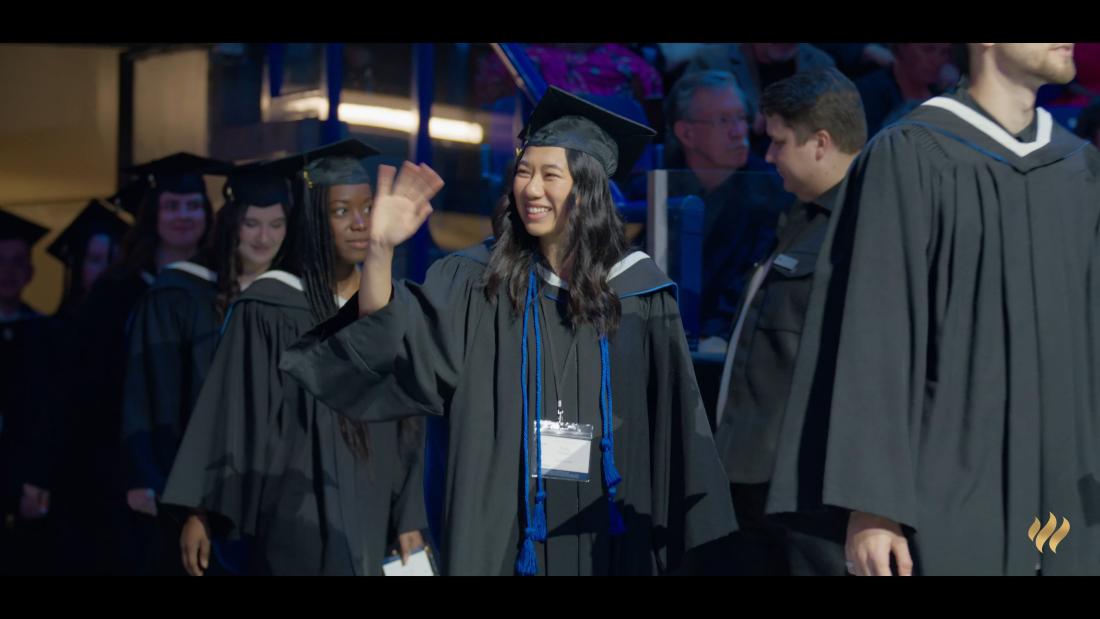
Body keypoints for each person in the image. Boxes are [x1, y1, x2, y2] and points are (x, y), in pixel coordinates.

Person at [280, 87, 737, 575]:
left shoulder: (641, 295)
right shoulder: (477, 282)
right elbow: (390, 338)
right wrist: (381, 248)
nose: (532, 189)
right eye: (524, 171)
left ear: (586, 189)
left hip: (603, 529)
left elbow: (677, 436)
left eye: (550, 175)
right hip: (499, 528)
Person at [767, 43, 1100, 576]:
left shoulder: (1078, 169)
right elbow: (874, 334)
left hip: (1066, 500)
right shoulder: (912, 154)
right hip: (948, 497)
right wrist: (872, 505)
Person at [162, 140, 427, 576]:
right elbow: (230, 412)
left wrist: (410, 515)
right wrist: (199, 510)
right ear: (312, 221)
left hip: (374, 504)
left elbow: (407, 423)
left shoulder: (386, 306)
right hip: (292, 507)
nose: (360, 223)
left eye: (367, 209)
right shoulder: (268, 306)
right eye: (341, 211)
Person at [712, 68, 867, 576]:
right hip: (755, 477)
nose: (769, 156)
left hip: (811, 494)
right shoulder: (797, 218)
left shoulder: (866, 228)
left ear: (821, 143)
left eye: (779, 142)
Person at [120, 164, 292, 575]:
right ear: (231, 223)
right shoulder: (180, 296)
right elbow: (154, 398)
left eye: (276, 224)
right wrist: (162, 484)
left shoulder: (292, 301)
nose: (263, 237)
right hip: (196, 492)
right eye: (251, 223)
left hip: (273, 497)